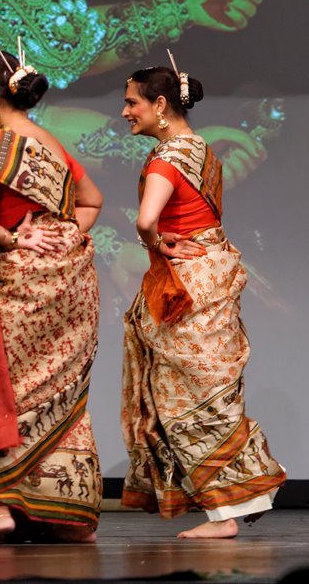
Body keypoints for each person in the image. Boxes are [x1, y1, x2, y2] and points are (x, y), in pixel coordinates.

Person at [0, 49, 104, 544]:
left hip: (25, 282)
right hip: (72, 282)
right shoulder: (50, 142)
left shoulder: (1, 142)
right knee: (57, 390)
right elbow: (93, 200)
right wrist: (64, 235)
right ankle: (64, 515)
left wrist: (11, 239)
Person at [119, 64, 285, 539]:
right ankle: (233, 501)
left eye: (132, 102)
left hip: (186, 286)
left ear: (160, 105)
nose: (125, 111)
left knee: (182, 398)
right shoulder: (202, 150)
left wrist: (157, 243)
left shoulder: (166, 159)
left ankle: (229, 511)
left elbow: (146, 220)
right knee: (209, 391)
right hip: (213, 272)